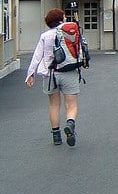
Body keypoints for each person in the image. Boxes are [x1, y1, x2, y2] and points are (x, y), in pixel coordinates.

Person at [25, 8, 80, 147]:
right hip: (69, 72)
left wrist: (30, 74)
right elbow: (79, 51)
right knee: (71, 104)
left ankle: (56, 136)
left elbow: (37, 56)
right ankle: (70, 123)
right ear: (61, 19)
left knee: (54, 104)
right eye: (64, 16)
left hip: (50, 75)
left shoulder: (45, 36)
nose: (66, 18)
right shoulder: (70, 33)